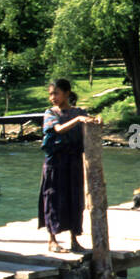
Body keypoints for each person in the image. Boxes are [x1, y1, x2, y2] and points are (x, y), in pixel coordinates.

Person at [39, 79, 97, 253]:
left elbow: (90, 123)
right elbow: (58, 130)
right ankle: (52, 240)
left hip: (74, 162)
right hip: (55, 162)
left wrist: (96, 120)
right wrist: (79, 119)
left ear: (67, 93)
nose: (52, 97)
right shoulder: (51, 113)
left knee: (75, 198)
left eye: (56, 93)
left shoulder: (79, 112)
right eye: (50, 94)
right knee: (53, 197)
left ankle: (74, 239)